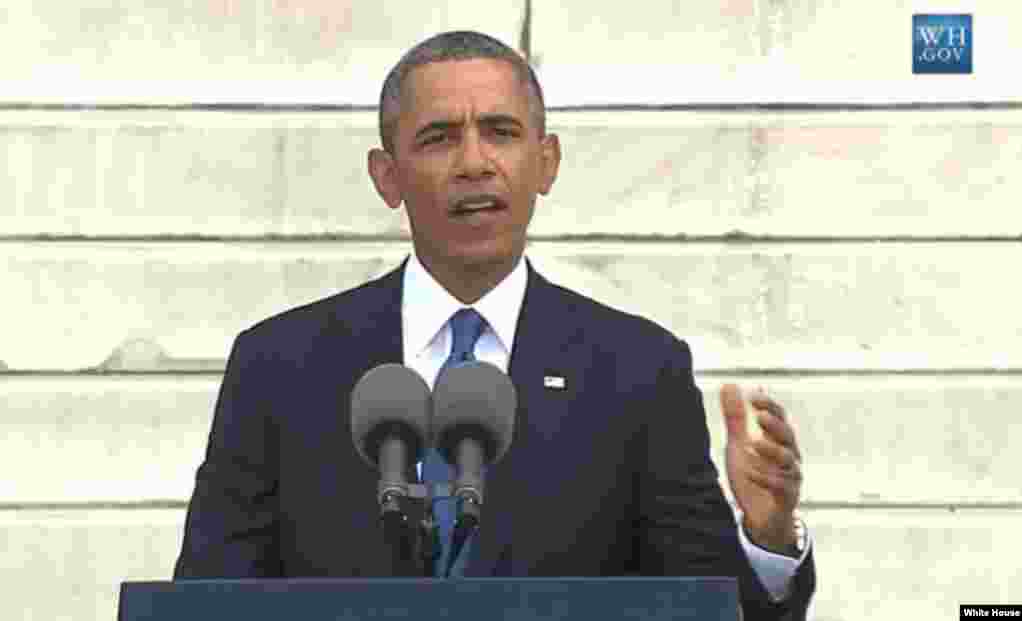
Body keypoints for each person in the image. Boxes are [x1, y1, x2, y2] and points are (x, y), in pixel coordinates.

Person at [174, 30, 816, 619]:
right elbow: (207, 599)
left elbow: (701, 606)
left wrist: (765, 538)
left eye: (501, 132)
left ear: (547, 163)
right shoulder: (281, 366)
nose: (474, 162)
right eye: (439, 137)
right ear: (386, 175)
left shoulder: (638, 371)